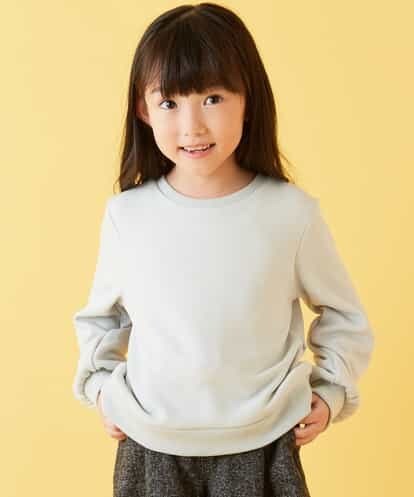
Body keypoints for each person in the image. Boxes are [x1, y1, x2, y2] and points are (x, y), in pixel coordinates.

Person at [71, 3, 375, 496]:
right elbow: (101, 319)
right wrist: (101, 387)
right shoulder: (128, 216)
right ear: (143, 109)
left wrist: (331, 390)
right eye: (170, 103)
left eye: (212, 98)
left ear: (248, 99)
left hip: (264, 444)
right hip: (151, 446)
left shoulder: (290, 214)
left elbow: (344, 316)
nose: (192, 126)